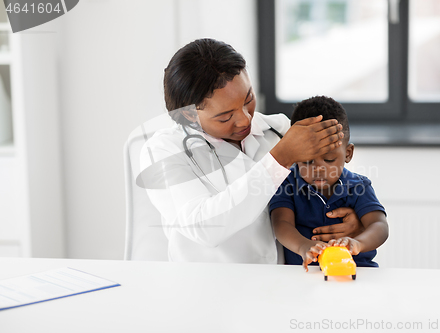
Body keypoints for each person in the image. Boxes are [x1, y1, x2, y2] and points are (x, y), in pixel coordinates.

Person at [140, 38, 364, 263]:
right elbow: (204, 228)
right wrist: (280, 158)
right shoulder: (163, 150)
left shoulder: (279, 129)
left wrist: (354, 219)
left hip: (280, 283)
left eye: (248, 99)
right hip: (208, 288)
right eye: (225, 116)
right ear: (189, 114)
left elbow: (332, 182)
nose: (245, 119)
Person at [269, 96, 389, 271]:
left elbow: (379, 225)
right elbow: (281, 224)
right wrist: (303, 246)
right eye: (307, 162)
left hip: (359, 271)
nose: (318, 169)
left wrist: (357, 243)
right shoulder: (287, 184)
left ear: (348, 154)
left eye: (329, 159)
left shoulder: (358, 186)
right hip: (304, 274)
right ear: (295, 156)